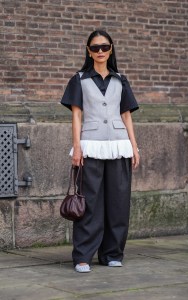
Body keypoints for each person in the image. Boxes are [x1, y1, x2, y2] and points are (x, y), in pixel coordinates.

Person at [61, 30, 140, 273]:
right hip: (91, 145)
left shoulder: (120, 80)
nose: (100, 51)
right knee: (90, 202)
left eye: (104, 47)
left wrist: (134, 146)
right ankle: (83, 256)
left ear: (111, 49)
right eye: (95, 48)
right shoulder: (80, 79)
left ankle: (112, 253)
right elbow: (76, 115)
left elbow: (125, 114)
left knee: (118, 202)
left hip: (119, 145)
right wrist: (77, 147)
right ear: (88, 51)